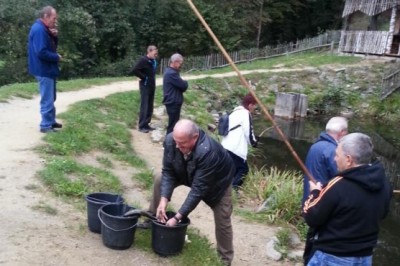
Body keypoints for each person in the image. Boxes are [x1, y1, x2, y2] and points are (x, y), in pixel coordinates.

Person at [151, 119, 235, 265]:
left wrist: (177, 218)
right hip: (185, 171)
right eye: (176, 141)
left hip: (217, 182)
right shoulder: (172, 140)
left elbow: (198, 190)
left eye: (182, 143)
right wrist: (164, 200)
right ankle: (153, 216)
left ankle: (224, 259)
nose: (177, 146)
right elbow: (168, 171)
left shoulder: (209, 152)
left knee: (223, 219)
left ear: (195, 138)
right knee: (160, 179)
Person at [303, 133, 392, 266]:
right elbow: (383, 214)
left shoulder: (338, 185)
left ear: (349, 159)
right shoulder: (384, 184)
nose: (334, 159)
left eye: (337, 155)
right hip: (365, 257)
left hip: (332, 256)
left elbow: (311, 216)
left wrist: (315, 192)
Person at [28, 6, 62, 133]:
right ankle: (45, 125)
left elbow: (50, 47)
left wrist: (54, 37)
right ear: (46, 16)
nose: (55, 21)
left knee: (51, 97)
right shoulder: (39, 30)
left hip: (47, 68)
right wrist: (56, 57)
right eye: (54, 18)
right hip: (43, 69)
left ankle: (51, 121)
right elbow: (41, 52)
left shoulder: (45, 29)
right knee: (47, 98)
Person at [302, 116, 348, 205]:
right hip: (321, 201)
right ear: (342, 132)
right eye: (347, 131)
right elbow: (339, 177)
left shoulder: (315, 146)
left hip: (309, 198)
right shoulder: (333, 150)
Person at [221, 94, 258, 190]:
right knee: (243, 170)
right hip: (235, 149)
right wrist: (254, 143)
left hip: (225, 146)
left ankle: (225, 191)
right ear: (250, 105)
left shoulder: (235, 111)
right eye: (254, 105)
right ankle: (232, 192)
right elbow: (249, 132)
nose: (254, 108)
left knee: (230, 171)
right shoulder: (245, 114)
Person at [131, 45, 158, 133]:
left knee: (150, 105)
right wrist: (144, 77)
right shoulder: (143, 60)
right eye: (155, 52)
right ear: (149, 52)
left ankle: (147, 124)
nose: (156, 54)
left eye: (156, 53)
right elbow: (135, 70)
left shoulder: (153, 61)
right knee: (145, 105)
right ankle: (141, 126)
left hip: (152, 85)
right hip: (145, 86)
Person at [162, 53, 188, 134]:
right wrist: (185, 82)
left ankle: (170, 143)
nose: (181, 65)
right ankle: (168, 144)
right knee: (173, 126)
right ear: (175, 62)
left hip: (172, 101)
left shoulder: (170, 71)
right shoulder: (171, 73)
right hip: (173, 102)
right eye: (180, 63)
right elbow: (183, 86)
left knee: (173, 124)